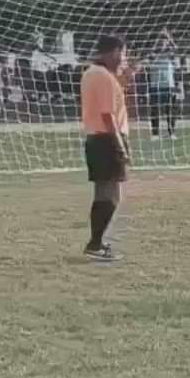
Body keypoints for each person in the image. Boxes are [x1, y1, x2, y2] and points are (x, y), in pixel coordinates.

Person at [80, 35, 135, 261]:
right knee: (111, 195)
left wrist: (124, 78)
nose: (124, 58)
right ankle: (95, 244)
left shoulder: (92, 73)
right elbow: (107, 114)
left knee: (104, 193)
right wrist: (120, 145)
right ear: (114, 52)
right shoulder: (102, 76)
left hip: (97, 139)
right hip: (106, 139)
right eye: (123, 53)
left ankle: (97, 243)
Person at [149, 28, 179, 139]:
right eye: (160, 40)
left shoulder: (170, 54)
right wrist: (158, 42)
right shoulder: (152, 54)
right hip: (155, 85)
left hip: (168, 85)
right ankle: (155, 134)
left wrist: (169, 38)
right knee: (155, 110)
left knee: (170, 110)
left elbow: (176, 50)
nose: (162, 42)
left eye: (164, 40)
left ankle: (171, 133)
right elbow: (150, 55)